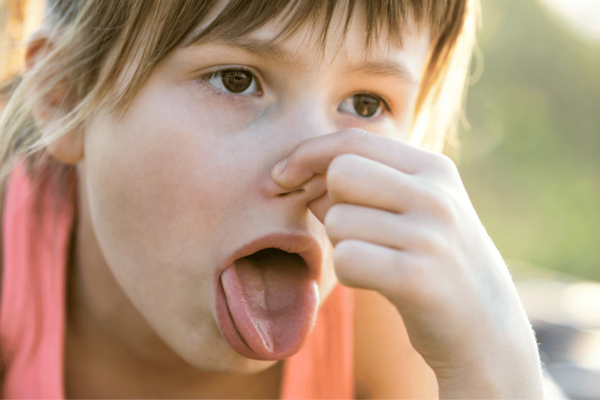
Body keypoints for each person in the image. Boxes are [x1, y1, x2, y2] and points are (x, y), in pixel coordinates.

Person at [0, 0, 544, 398]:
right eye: (236, 80)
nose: (313, 164)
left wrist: (493, 368)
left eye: (364, 102)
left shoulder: (392, 315)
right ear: (62, 89)